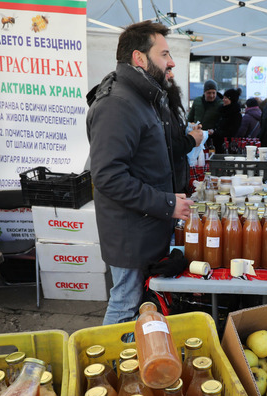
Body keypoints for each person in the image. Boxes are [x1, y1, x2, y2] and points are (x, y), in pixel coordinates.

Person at [86, 20, 195, 326]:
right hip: (130, 233)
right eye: (164, 54)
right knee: (125, 303)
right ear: (139, 58)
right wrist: (167, 203)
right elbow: (108, 176)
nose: (171, 61)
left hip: (145, 226)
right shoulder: (117, 104)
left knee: (138, 304)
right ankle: (105, 369)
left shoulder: (143, 98)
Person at [187, 79, 222, 144]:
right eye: (209, 93)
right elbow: (190, 118)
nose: (211, 96)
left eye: (213, 93)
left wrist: (214, 130)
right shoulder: (197, 101)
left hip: (211, 138)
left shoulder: (220, 104)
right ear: (204, 92)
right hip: (196, 135)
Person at [212, 87, 242, 154]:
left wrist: (215, 132)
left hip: (228, 147)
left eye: (226, 98)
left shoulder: (236, 115)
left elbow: (231, 133)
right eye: (223, 97)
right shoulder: (222, 111)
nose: (223, 100)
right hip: (217, 144)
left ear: (232, 100)